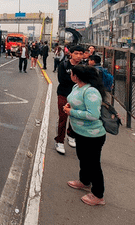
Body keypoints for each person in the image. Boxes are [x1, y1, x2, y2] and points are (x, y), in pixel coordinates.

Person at [63, 65, 107, 206]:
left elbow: (93, 115)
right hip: (80, 133)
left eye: (72, 73)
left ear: (76, 76)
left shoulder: (91, 91)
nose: (70, 74)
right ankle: (84, 181)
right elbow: (76, 101)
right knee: (83, 158)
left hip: (93, 135)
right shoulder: (77, 87)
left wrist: (72, 112)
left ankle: (98, 195)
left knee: (93, 164)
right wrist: (70, 105)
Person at [55, 45, 85, 154]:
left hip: (79, 96)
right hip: (64, 94)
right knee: (63, 118)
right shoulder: (64, 65)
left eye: (81, 54)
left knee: (75, 117)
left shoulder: (84, 66)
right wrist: (78, 81)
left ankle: (71, 135)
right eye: (76, 53)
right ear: (71, 54)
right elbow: (62, 80)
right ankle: (59, 141)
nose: (78, 56)